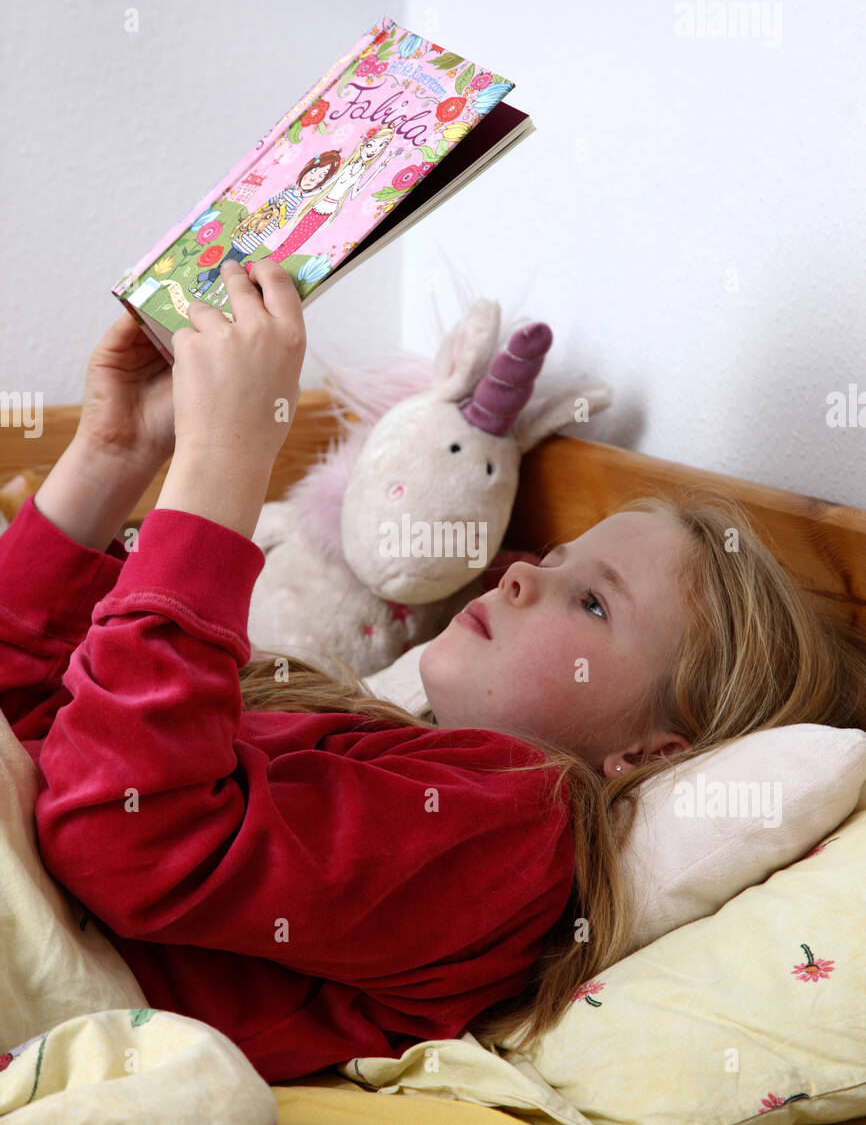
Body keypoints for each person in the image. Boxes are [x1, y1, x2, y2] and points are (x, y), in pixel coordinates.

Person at [3, 258, 864, 1081]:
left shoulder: (516, 839)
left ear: (648, 755)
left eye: (593, 603)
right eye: (554, 557)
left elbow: (126, 836)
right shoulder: (365, 736)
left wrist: (223, 466)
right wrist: (112, 455)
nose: (521, 572)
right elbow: (48, 731)